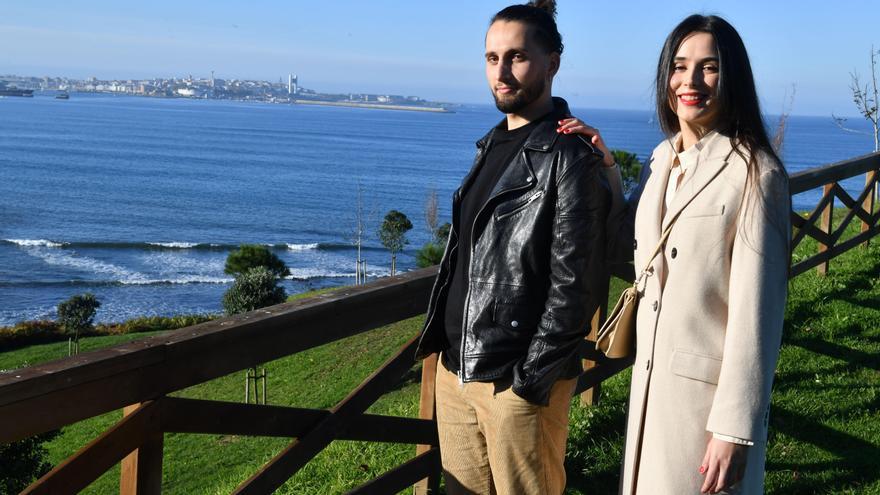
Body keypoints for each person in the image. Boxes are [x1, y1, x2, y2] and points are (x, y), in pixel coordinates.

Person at [558, 14, 790, 495]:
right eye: (680, 66)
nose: (690, 81)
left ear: (733, 79)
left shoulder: (755, 173)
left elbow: (758, 316)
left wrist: (733, 430)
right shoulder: (663, 159)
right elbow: (636, 250)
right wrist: (609, 170)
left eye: (709, 67)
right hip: (651, 391)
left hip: (705, 410)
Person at [413, 1, 611, 493]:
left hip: (516, 384)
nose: (501, 72)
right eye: (491, 57)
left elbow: (576, 286)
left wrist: (527, 384)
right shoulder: (491, 146)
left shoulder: (568, 158)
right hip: (457, 371)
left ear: (552, 63)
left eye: (516, 57)